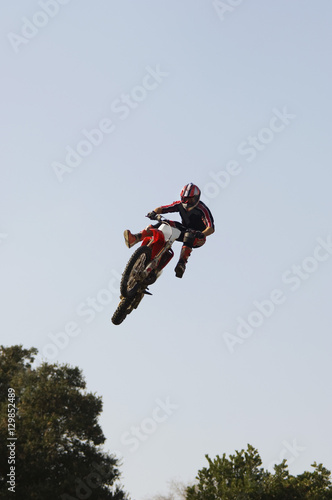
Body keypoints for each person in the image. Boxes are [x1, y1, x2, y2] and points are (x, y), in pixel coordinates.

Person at [123, 183, 215, 278]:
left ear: (197, 198)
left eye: (190, 199)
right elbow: (162, 208)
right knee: (164, 222)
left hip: (198, 237)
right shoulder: (179, 205)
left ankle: (181, 264)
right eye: (185, 199)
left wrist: (202, 234)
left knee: (189, 235)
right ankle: (136, 238)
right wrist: (154, 212)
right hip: (184, 230)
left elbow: (211, 228)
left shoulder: (202, 209)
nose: (187, 202)